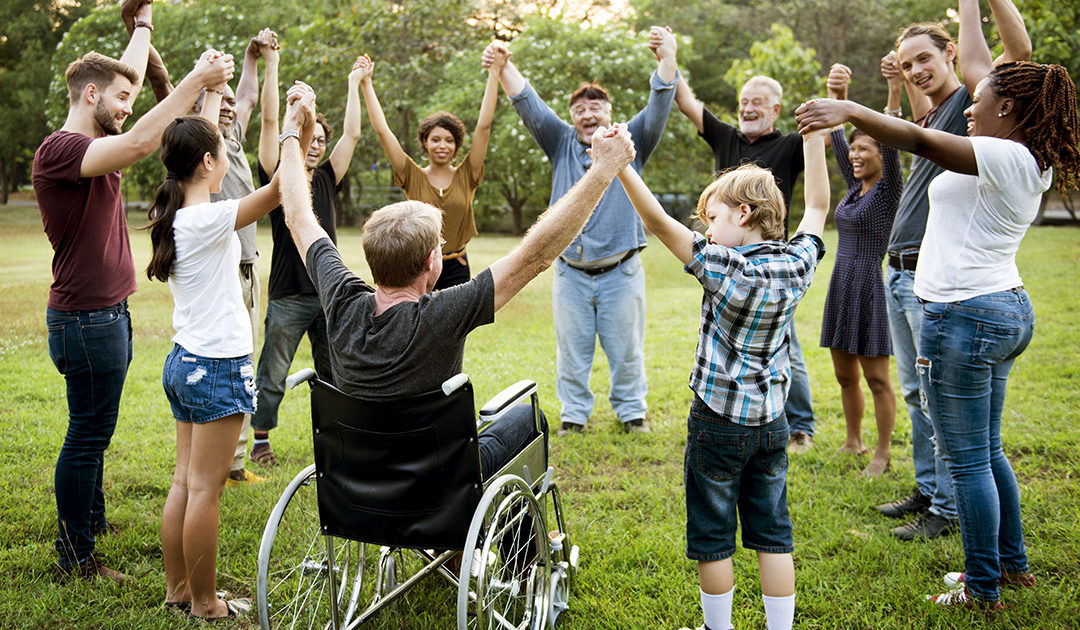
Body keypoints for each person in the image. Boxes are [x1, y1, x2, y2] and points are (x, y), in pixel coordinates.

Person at [796, 0, 1078, 606]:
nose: (969, 105)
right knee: (988, 451)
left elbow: (921, 138)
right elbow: (978, 63)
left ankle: (981, 588)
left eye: (980, 100)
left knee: (970, 459)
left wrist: (850, 107)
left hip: (965, 315)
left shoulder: (1003, 154)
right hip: (998, 306)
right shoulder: (1027, 157)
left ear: (1008, 108)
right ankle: (1011, 566)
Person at [277, 96, 637, 476]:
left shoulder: (341, 299)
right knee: (529, 419)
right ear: (433, 263)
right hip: (441, 480)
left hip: (360, 478)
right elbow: (536, 256)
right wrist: (601, 170)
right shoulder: (444, 313)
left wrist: (290, 130)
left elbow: (299, 217)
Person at [32, 1, 232, 582]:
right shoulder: (62, 151)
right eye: (121, 99)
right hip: (85, 321)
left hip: (105, 316)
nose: (131, 104)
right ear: (90, 95)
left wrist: (141, 24)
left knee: (94, 431)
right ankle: (76, 556)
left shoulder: (92, 144)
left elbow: (132, 81)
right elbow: (146, 141)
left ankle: (88, 522)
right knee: (86, 435)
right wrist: (196, 79)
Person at [619, 126, 831, 630]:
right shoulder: (799, 262)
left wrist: (619, 165)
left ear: (744, 214)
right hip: (772, 424)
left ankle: (719, 628)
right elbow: (819, 207)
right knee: (773, 532)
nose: (707, 230)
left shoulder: (724, 267)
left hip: (717, 424)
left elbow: (656, 220)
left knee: (714, 536)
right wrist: (817, 140)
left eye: (713, 218)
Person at [148, 84, 316, 620]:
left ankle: (179, 590)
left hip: (184, 363)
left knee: (185, 482)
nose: (229, 156)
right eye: (223, 149)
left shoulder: (180, 214)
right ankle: (205, 603)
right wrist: (294, 125)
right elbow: (282, 190)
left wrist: (303, 126)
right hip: (216, 366)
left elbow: (284, 177)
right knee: (207, 491)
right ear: (207, 162)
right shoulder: (209, 218)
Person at [868, 1, 1031, 541]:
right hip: (900, 268)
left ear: (952, 55)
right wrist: (901, 83)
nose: (916, 69)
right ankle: (930, 487)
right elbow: (914, 121)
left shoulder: (970, 103)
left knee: (941, 401)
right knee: (917, 393)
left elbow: (1016, 54)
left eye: (924, 58)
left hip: (933, 280)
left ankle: (948, 506)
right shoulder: (940, 112)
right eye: (905, 62)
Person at [484, 27, 679, 435]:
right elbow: (527, 103)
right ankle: (574, 416)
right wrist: (504, 65)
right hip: (570, 273)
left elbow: (661, 101)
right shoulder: (559, 143)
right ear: (572, 117)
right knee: (572, 352)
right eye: (580, 110)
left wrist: (667, 56)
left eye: (596, 107)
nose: (588, 115)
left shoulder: (632, 142)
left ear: (609, 112)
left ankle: (632, 414)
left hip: (621, 272)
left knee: (626, 352)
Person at [671, 47, 817, 453]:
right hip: (723, 256)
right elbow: (685, 101)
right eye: (743, 102)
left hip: (769, 262)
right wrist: (669, 56)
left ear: (775, 109)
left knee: (784, 343)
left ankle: (799, 425)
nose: (748, 108)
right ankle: (725, 408)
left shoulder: (789, 145)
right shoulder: (726, 137)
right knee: (723, 336)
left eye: (757, 102)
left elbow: (823, 164)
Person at [249, 55, 366, 466]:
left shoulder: (330, 178)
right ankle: (261, 440)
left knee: (334, 372)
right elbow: (267, 127)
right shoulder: (280, 177)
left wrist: (355, 83)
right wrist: (279, 86)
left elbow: (352, 133)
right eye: (309, 139)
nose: (315, 145)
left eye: (320, 140)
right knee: (273, 372)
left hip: (329, 293)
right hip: (287, 295)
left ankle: (337, 441)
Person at [356, 48, 500, 289]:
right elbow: (382, 131)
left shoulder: (468, 174)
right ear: (425, 143)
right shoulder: (411, 175)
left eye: (449, 140)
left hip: (456, 267)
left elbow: (484, 127)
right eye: (435, 139)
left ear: (456, 146)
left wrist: (494, 73)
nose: (442, 145)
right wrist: (366, 83)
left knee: (455, 327)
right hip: (417, 266)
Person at [819, 62, 902, 477]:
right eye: (853, 149)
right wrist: (838, 93)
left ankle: (883, 454)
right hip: (841, 283)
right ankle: (853, 440)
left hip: (870, 283)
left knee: (877, 379)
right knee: (843, 373)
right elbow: (835, 137)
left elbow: (889, 135)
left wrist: (892, 91)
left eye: (863, 148)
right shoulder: (855, 189)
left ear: (880, 154)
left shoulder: (889, 191)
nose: (854, 154)